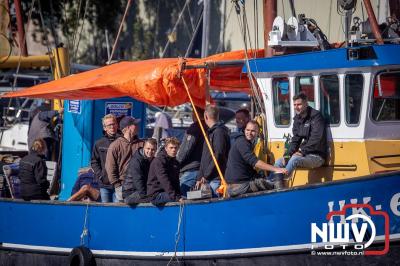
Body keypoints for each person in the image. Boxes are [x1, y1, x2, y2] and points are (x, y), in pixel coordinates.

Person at [271, 92, 327, 187]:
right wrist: (287, 156)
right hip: (305, 155)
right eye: (295, 105)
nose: (296, 107)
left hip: (317, 156)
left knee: (295, 158)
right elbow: (295, 140)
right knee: (279, 162)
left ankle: (279, 182)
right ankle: (273, 183)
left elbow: (316, 138)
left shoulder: (316, 116)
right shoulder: (297, 119)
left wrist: (302, 151)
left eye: (299, 104)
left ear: (306, 104)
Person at [225, 121, 288, 197]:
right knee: (272, 185)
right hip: (239, 185)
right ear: (244, 130)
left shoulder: (246, 142)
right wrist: (276, 169)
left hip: (239, 183)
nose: (249, 133)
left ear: (258, 133)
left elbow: (249, 168)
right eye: (247, 130)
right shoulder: (242, 142)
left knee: (266, 180)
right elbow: (255, 162)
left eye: (253, 131)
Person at [106, 116, 144, 202]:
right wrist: (117, 186)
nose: (137, 126)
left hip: (139, 185)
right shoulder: (115, 145)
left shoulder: (142, 144)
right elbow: (110, 168)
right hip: (123, 186)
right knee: (120, 213)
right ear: (127, 128)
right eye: (135, 124)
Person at [196, 104, 230, 197]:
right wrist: (200, 177)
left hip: (216, 178)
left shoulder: (219, 132)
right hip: (209, 178)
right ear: (218, 116)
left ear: (205, 116)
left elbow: (218, 154)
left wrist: (206, 175)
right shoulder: (211, 132)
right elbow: (205, 157)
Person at [91, 114, 121, 203]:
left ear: (117, 125)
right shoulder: (99, 143)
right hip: (104, 185)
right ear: (104, 128)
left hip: (119, 184)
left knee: (117, 210)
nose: (112, 127)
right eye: (109, 125)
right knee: (105, 210)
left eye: (113, 124)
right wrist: (101, 176)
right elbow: (94, 161)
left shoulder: (122, 142)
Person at [176, 108, 205, 196]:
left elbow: (185, 149)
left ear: (195, 114)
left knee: (183, 197)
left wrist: (176, 163)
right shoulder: (208, 128)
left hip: (191, 169)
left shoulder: (195, 128)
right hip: (202, 169)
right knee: (195, 198)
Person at [147, 137, 182, 205]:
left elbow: (176, 182)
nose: (174, 150)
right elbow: (164, 180)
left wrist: (179, 195)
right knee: (180, 198)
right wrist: (176, 197)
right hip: (155, 195)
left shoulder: (176, 163)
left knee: (185, 197)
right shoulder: (159, 161)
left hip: (166, 193)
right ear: (166, 148)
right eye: (171, 148)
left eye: (176, 148)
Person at [123, 138, 157, 204]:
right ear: (144, 148)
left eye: (153, 149)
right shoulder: (136, 161)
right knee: (156, 198)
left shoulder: (152, 160)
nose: (150, 151)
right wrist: (146, 197)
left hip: (142, 191)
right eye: (148, 148)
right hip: (130, 193)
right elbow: (138, 180)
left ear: (156, 150)